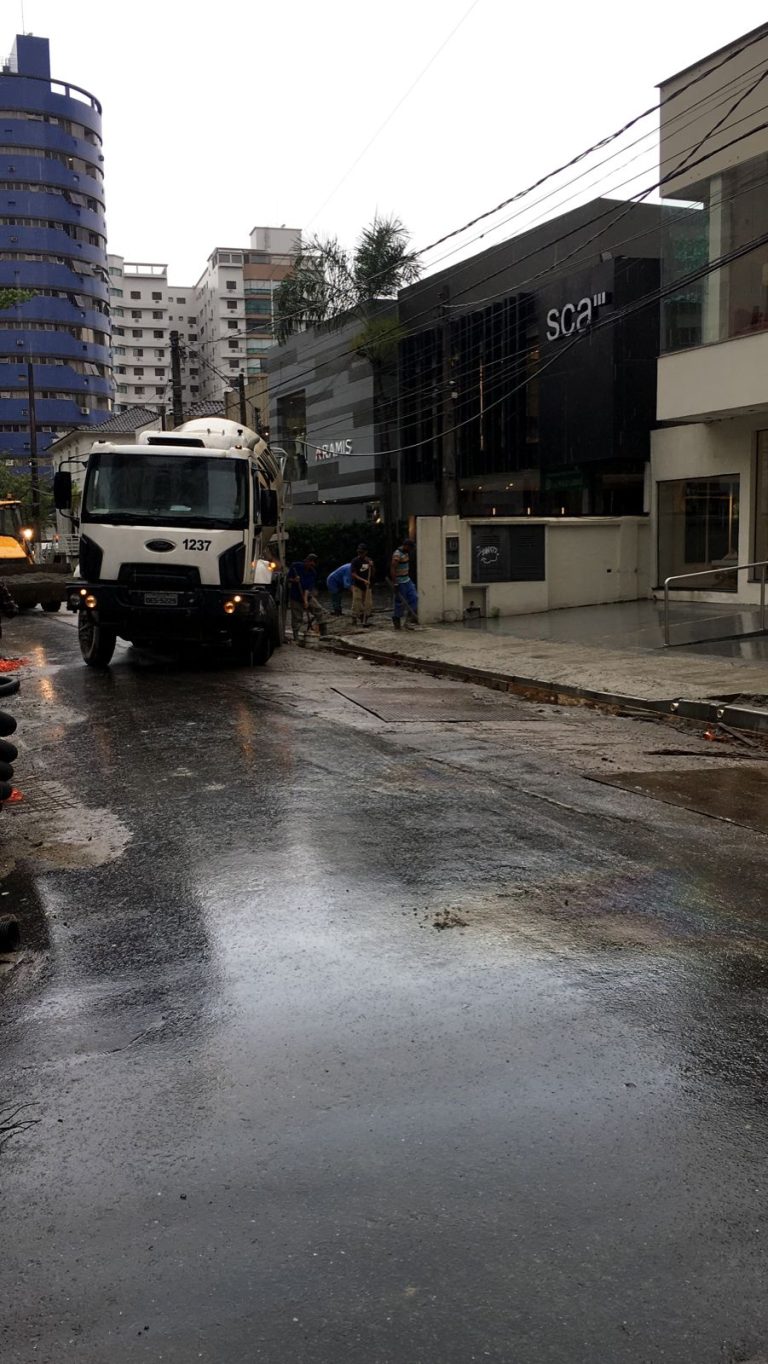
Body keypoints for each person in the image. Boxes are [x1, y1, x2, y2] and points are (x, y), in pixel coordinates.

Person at [288, 553, 326, 641]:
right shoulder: (296, 567)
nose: (310, 565)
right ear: (306, 561)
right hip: (295, 596)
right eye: (309, 562)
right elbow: (288, 579)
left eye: (312, 564)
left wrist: (305, 601)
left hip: (307, 596)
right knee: (297, 617)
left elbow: (307, 589)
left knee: (319, 610)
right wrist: (294, 580)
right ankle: (296, 636)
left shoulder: (312, 572)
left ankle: (322, 631)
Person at [390, 537, 418, 629]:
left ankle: (408, 621)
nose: (411, 549)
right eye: (410, 547)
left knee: (414, 597)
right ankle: (397, 619)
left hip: (407, 579)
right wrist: (395, 583)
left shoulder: (406, 553)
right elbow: (393, 568)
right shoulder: (397, 554)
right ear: (406, 546)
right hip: (400, 581)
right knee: (400, 602)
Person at [349, 543, 374, 626]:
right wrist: (363, 580)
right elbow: (353, 574)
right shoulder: (355, 561)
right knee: (356, 602)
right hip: (358, 584)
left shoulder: (369, 560)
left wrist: (372, 566)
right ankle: (354, 618)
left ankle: (365, 619)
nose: (360, 554)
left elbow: (373, 573)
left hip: (367, 585)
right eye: (359, 552)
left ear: (365, 552)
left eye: (362, 552)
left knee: (368, 603)